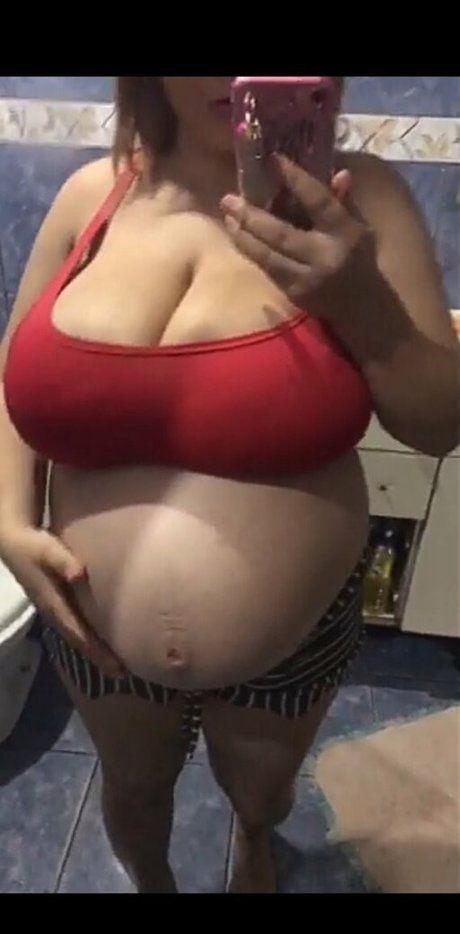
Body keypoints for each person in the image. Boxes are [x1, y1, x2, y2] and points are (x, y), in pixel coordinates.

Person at [0, 77, 458, 894]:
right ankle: (154, 881)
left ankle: (252, 838)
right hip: (91, 625)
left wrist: (363, 305)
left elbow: (440, 425)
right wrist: (6, 520)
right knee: (133, 791)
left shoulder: (362, 198)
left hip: (294, 637)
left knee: (264, 793)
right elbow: (13, 377)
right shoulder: (90, 196)